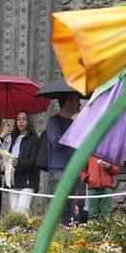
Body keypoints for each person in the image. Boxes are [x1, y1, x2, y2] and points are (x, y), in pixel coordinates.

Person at [41, 93, 84, 224]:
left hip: (74, 172)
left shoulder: (74, 123)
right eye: (77, 100)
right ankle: (54, 241)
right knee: (56, 210)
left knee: (69, 211)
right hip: (59, 171)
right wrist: (75, 129)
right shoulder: (54, 121)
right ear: (68, 101)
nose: (80, 104)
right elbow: (57, 143)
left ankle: (65, 241)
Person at [4, 111, 40, 214]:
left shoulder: (34, 140)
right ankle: (15, 231)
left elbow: (34, 161)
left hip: (28, 181)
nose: (20, 122)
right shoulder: (12, 139)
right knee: (14, 212)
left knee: (22, 211)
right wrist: (4, 166)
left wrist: (19, 163)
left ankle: (20, 231)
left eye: (24, 119)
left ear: (29, 121)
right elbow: (7, 157)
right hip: (14, 180)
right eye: (18, 119)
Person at [80, 156, 121, 221]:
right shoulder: (89, 154)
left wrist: (109, 166)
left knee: (107, 213)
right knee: (92, 214)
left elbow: (117, 170)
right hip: (92, 188)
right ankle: (92, 230)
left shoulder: (109, 154)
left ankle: (106, 230)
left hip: (107, 188)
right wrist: (87, 179)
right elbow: (81, 170)